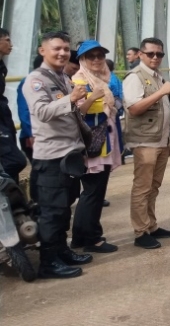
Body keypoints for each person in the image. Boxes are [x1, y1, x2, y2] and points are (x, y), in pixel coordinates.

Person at [22, 31, 91, 278]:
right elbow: (41, 112)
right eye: (56, 49)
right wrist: (72, 98)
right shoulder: (35, 80)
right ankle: (49, 261)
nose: (62, 53)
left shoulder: (63, 77)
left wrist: (81, 101)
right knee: (51, 210)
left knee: (64, 207)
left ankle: (61, 250)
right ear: (43, 51)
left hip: (69, 154)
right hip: (51, 157)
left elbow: (70, 112)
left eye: (65, 48)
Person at [123, 37, 170, 250]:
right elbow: (134, 108)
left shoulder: (157, 77)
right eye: (151, 54)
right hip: (145, 142)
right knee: (142, 188)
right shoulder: (135, 77)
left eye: (159, 54)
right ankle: (140, 232)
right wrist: (162, 92)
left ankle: (151, 225)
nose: (155, 57)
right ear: (140, 54)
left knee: (153, 187)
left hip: (161, 141)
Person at [70, 40, 121, 254]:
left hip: (104, 141)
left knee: (93, 192)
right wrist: (95, 96)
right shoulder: (79, 80)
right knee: (93, 192)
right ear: (82, 59)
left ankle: (80, 237)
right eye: (91, 56)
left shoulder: (103, 79)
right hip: (93, 143)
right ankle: (93, 238)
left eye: (100, 55)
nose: (97, 60)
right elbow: (77, 112)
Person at [0, 27, 27, 184]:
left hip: (4, 116)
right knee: (15, 161)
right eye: (7, 40)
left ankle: (14, 202)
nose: (11, 44)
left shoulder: (2, 66)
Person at [17, 55, 44, 199]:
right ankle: (37, 203)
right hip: (32, 136)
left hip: (46, 136)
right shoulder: (29, 82)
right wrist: (32, 134)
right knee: (39, 169)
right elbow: (24, 111)